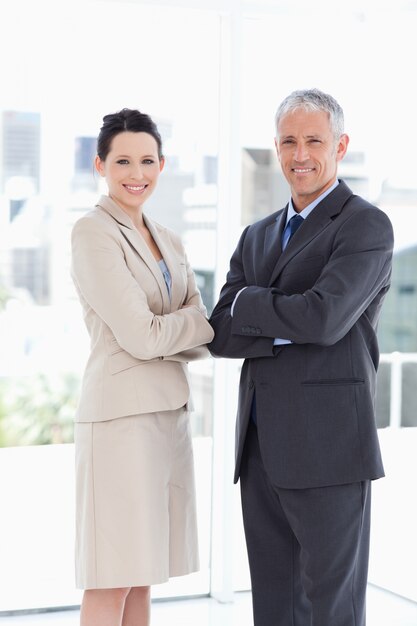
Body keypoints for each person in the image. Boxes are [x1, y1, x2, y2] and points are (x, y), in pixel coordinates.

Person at [208, 88, 394, 626]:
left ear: (341, 145)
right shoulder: (257, 234)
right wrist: (283, 318)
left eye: (314, 140)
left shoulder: (365, 226)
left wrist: (253, 305)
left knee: (331, 607)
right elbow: (220, 333)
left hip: (330, 449)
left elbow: (326, 319)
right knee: (274, 604)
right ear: (276, 148)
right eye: (289, 141)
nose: (300, 154)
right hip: (261, 445)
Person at [71, 108, 214, 626]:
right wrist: (189, 325)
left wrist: (184, 326)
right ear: (100, 165)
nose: (137, 173)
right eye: (123, 161)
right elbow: (142, 333)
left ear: (162, 164)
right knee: (112, 577)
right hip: (121, 424)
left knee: (144, 576)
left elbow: (197, 317)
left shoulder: (168, 238)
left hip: (168, 417)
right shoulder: (93, 232)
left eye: (147, 160)